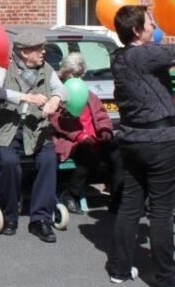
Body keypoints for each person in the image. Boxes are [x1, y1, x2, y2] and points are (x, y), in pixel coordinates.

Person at [108, 3, 175, 287]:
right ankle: (166, 278)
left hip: (132, 141)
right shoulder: (143, 54)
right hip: (158, 142)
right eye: (151, 24)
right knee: (161, 212)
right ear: (137, 30)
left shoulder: (119, 56)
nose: (155, 28)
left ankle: (120, 269)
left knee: (130, 206)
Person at [0, 30, 66, 240]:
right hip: (8, 129)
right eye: (39, 49)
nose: (43, 52)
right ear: (24, 52)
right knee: (10, 163)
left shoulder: (46, 69)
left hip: (36, 128)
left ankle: (40, 219)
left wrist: (54, 100)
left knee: (48, 160)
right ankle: (10, 214)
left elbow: (61, 90)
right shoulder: (4, 65)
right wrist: (26, 98)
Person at [51, 53, 123, 216]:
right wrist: (79, 136)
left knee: (118, 155)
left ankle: (117, 198)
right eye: (74, 74)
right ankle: (70, 194)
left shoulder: (88, 94)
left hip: (95, 138)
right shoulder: (58, 94)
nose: (78, 78)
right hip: (72, 140)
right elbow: (56, 121)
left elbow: (101, 114)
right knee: (90, 157)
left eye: (80, 74)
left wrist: (105, 131)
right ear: (65, 73)